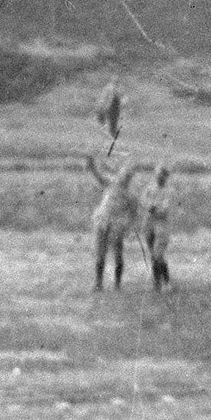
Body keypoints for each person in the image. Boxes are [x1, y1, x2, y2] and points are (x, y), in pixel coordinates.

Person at [86, 154, 140, 290]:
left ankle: (117, 284)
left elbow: (133, 215)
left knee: (118, 253)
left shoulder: (130, 195)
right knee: (100, 252)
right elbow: (98, 176)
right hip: (103, 221)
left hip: (117, 225)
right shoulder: (111, 183)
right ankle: (98, 283)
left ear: (129, 178)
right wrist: (92, 166)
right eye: (123, 174)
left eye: (127, 176)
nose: (124, 177)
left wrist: (128, 228)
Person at [143, 164, 174, 291]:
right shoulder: (150, 188)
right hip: (149, 223)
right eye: (158, 174)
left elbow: (164, 209)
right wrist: (151, 206)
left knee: (158, 254)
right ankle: (157, 283)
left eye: (162, 175)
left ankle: (166, 282)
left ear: (166, 177)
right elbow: (144, 201)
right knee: (152, 253)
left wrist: (153, 207)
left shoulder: (169, 191)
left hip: (161, 225)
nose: (159, 177)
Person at [95, 81, 123, 146]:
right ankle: (109, 138)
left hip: (110, 108)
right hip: (107, 108)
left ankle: (110, 138)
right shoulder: (110, 89)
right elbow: (107, 100)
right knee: (108, 124)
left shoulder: (110, 89)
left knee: (111, 124)